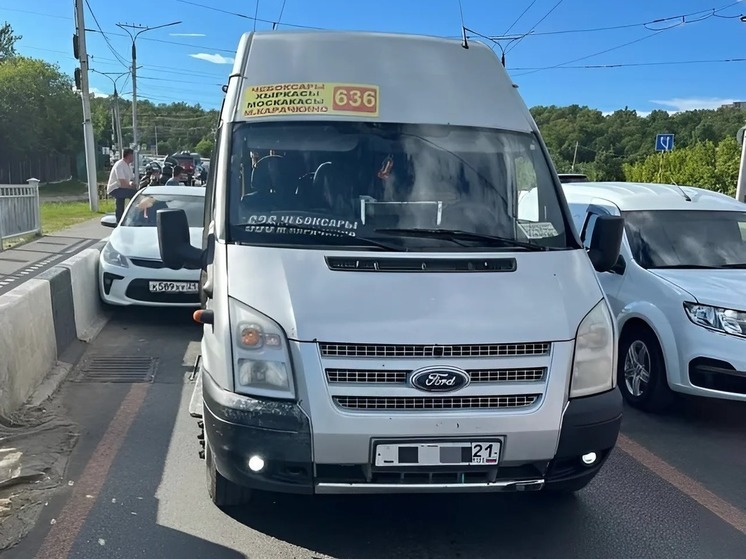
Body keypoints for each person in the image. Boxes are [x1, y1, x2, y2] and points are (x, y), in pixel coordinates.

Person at [107, 148, 137, 222]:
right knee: (135, 195)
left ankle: (120, 219)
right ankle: (134, 215)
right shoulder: (119, 165)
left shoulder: (128, 166)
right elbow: (122, 182)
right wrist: (131, 187)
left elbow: (129, 180)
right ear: (129, 156)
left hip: (122, 188)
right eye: (132, 155)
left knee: (120, 203)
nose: (133, 157)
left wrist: (131, 184)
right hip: (115, 188)